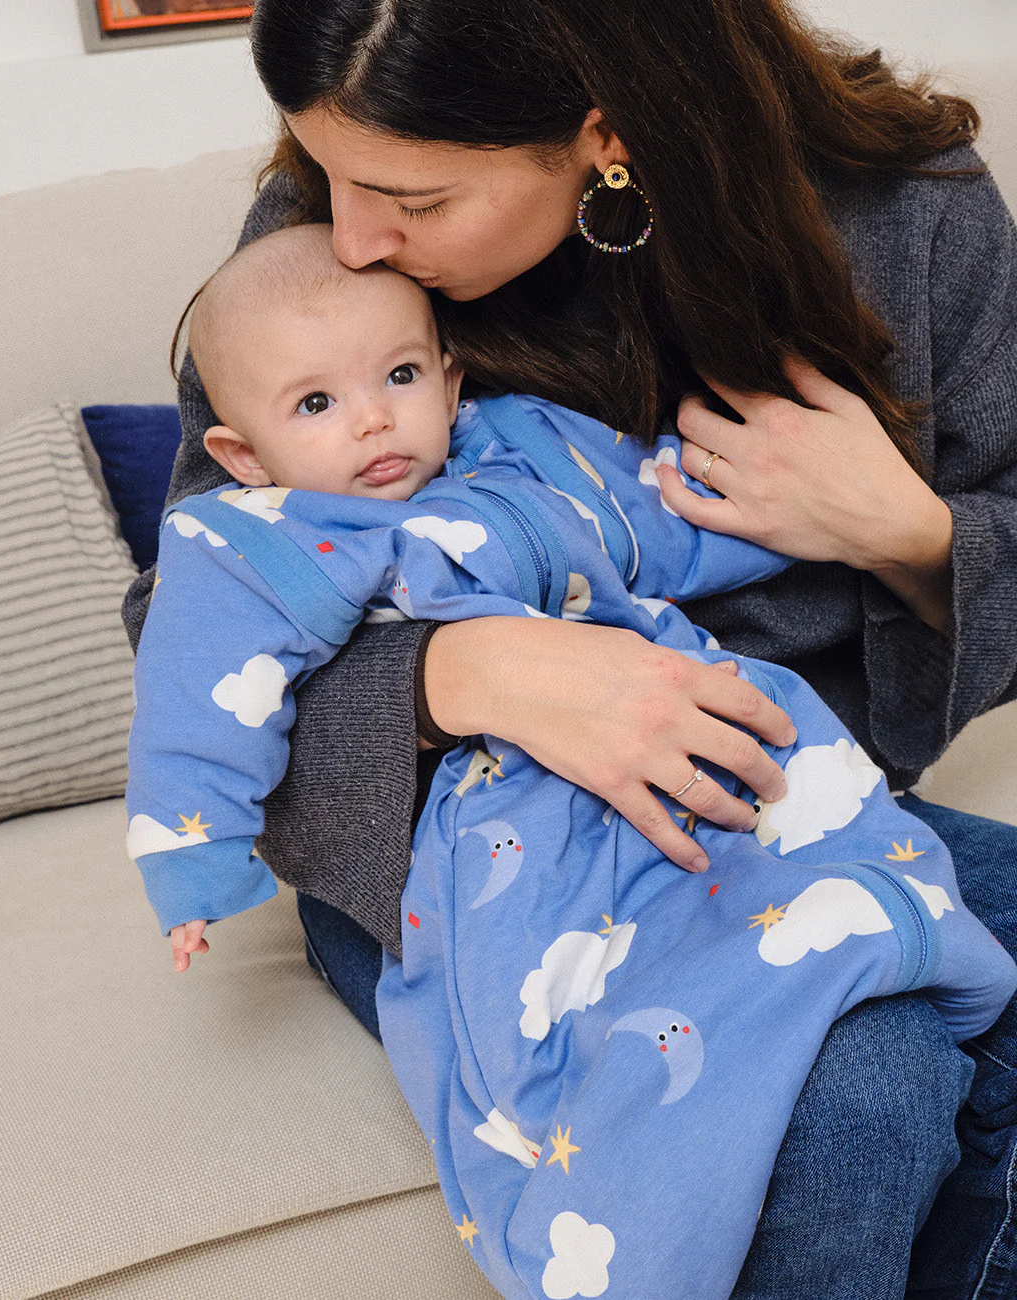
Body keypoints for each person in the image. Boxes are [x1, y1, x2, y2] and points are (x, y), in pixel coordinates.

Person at [122, 1, 1017, 1294]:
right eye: (328, 173)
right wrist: (470, 674)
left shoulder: (910, 209)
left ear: (604, 133)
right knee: (855, 1089)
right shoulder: (333, 242)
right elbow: (200, 615)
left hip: (767, 802)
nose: (357, 233)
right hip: (467, 832)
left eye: (412, 200)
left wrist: (909, 530)